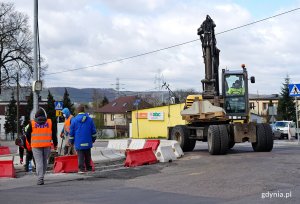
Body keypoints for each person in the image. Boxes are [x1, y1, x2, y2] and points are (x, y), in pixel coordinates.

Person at [26, 108, 58, 185]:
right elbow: (54, 134)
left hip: (36, 146)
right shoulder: (49, 122)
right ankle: (42, 175)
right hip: (47, 145)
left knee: (39, 162)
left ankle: (40, 178)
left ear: (36, 116)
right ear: (44, 115)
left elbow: (27, 134)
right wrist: (55, 143)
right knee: (44, 161)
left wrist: (30, 142)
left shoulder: (32, 123)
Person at [69, 105, 96, 173]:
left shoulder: (74, 120)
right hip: (88, 141)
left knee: (80, 156)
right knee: (88, 155)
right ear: (84, 111)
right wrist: (93, 139)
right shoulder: (90, 119)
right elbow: (93, 131)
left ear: (77, 111)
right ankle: (89, 168)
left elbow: (71, 133)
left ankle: (81, 169)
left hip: (78, 142)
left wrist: (71, 141)